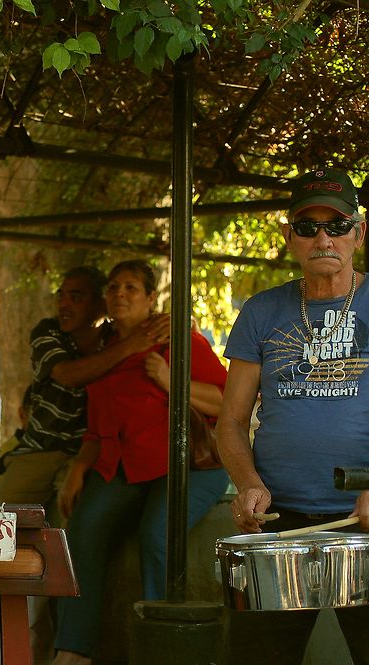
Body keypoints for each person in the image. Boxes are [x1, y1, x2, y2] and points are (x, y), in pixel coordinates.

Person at [217, 167, 369, 665]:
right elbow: (232, 421)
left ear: (358, 232)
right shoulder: (262, 311)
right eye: (308, 227)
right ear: (290, 237)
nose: (323, 238)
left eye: (337, 224)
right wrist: (248, 483)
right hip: (280, 523)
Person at [53, 259, 229, 665]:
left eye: (131, 288)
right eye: (113, 287)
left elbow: (225, 401)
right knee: (80, 530)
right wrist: (80, 467)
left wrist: (170, 379)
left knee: (158, 536)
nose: (119, 294)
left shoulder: (178, 339)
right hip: (124, 465)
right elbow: (98, 426)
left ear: (152, 298)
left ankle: (158, 648)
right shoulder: (101, 347)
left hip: (191, 465)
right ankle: (73, 651)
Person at [0, 265, 169, 665]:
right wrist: (132, 345)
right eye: (62, 294)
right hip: (41, 448)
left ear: (97, 306)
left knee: (69, 539)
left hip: (89, 452)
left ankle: (62, 646)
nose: (63, 303)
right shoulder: (49, 332)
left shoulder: (118, 335)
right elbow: (68, 376)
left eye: (76, 296)